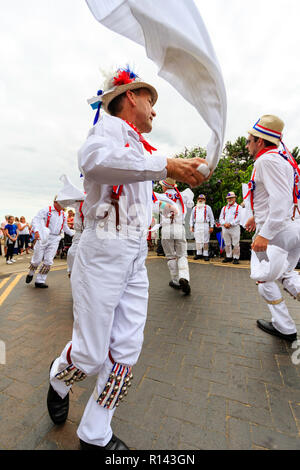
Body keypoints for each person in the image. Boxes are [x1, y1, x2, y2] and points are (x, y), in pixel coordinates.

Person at [46, 66, 210, 451]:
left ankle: (95, 432)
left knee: (126, 352)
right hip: (103, 251)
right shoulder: (105, 131)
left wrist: (174, 168)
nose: (155, 110)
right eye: (151, 101)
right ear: (130, 96)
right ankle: (58, 378)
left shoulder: (140, 146)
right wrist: (169, 165)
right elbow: (94, 162)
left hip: (135, 253)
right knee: (89, 352)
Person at [245, 114, 300, 342]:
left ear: (260, 141)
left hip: (276, 232)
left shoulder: (266, 161)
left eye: (249, 140)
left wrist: (265, 235)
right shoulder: (281, 160)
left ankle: (285, 327)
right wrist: (254, 218)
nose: (247, 144)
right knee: (286, 274)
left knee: (264, 280)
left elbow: (280, 201)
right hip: (289, 228)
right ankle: (284, 325)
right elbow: (274, 197)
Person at [25, 198, 74, 288]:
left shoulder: (63, 214)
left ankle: (40, 281)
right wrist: (36, 231)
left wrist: (74, 234)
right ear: (55, 202)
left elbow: (65, 227)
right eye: (62, 202)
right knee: (37, 260)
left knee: (48, 260)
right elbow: (36, 220)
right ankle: (31, 273)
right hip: (44, 236)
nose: (63, 205)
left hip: (55, 238)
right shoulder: (46, 210)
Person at [159, 178, 194, 294]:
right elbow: (190, 199)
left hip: (166, 228)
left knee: (170, 256)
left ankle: (175, 280)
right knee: (182, 255)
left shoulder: (160, 196)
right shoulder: (182, 195)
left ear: (165, 186)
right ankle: (184, 277)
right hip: (179, 226)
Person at [190, 194, 215, 261]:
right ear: (197, 200)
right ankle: (199, 253)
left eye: (202, 199)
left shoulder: (208, 207)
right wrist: (191, 226)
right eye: (199, 199)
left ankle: (205, 254)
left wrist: (211, 226)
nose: (200, 200)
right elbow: (191, 218)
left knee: (205, 240)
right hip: (197, 225)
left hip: (205, 225)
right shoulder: (194, 208)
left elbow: (212, 218)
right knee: (198, 240)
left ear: (205, 200)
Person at [219, 191, 241, 264]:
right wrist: (224, 224)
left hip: (234, 228)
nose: (229, 199)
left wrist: (230, 224)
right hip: (225, 228)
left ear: (234, 198)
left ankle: (236, 257)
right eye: (228, 198)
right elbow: (221, 218)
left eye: (231, 198)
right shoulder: (224, 208)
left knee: (235, 243)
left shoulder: (238, 207)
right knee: (227, 243)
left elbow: (239, 218)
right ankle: (228, 256)